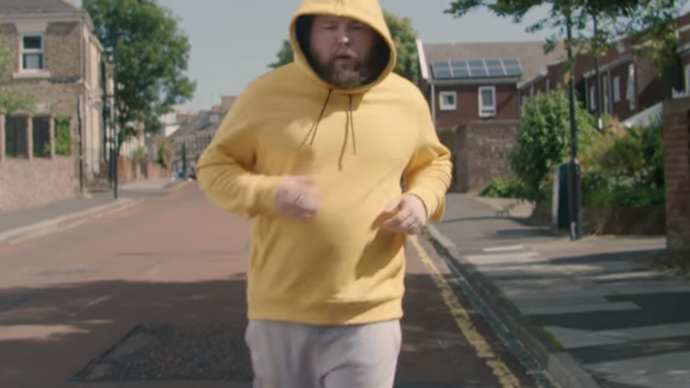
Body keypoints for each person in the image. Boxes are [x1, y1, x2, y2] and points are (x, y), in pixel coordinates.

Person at [195, 0, 452, 386]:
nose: (344, 38)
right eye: (329, 28)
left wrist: (421, 199)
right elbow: (214, 167)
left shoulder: (406, 99)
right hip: (280, 311)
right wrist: (269, 192)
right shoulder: (265, 95)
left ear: (377, 35)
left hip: (371, 312)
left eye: (357, 28)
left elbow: (434, 163)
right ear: (307, 35)